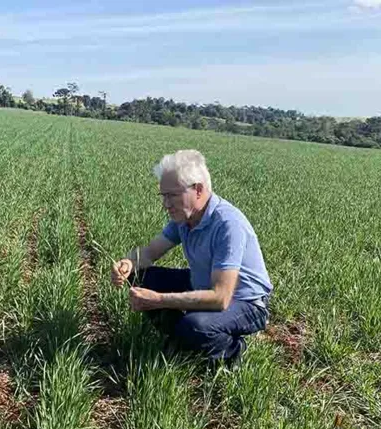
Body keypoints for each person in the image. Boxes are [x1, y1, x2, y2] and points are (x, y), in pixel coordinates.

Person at [110, 149, 272, 369]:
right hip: (204, 283)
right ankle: (179, 339)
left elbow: (221, 298)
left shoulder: (228, 224)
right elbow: (148, 253)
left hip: (245, 302)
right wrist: (128, 263)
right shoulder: (184, 218)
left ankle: (231, 351)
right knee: (140, 276)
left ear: (198, 190)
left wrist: (158, 300)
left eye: (172, 195)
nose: (166, 204)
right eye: (163, 196)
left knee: (196, 326)